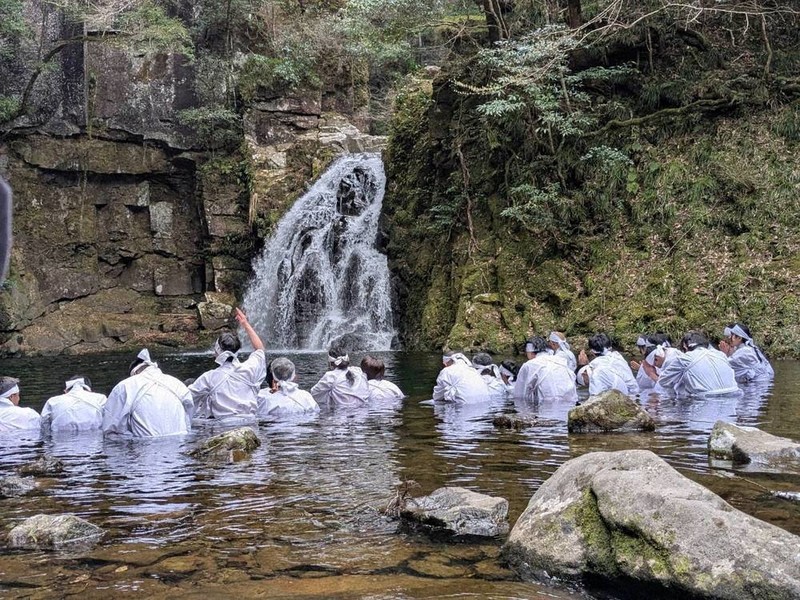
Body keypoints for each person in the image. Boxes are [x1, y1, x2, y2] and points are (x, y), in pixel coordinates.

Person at [189, 308, 266, 418]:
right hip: (250, 425)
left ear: (217, 352)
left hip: (222, 429)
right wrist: (245, 323)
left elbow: (187, 397)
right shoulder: (250, 369)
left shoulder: (209, 377)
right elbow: (260, 350)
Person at [102, 349, 193, 437]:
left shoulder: (125, 386)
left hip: (145, 446)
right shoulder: (177, 383)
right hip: (180, 443)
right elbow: (189, 416)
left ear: (135, 372)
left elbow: (111, 429)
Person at [643, 331, 739, 396]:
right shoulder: (720, 355)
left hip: (707, 400)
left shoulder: (684, 358)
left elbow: (663, 383)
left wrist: (651, 374)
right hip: (734, 394)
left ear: (685, 347)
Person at [514, 336, 578, 402]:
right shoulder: (560, 361)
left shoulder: (529, 365)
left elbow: (519, 395)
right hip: (571, 402)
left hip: (547, 405)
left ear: (530, 352)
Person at [41, 375, 107, 432]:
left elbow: (44, 425)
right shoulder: (101, 399)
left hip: (61, 443)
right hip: (94, 443)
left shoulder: (53, 401)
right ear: (89, 390)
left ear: (66, 390)